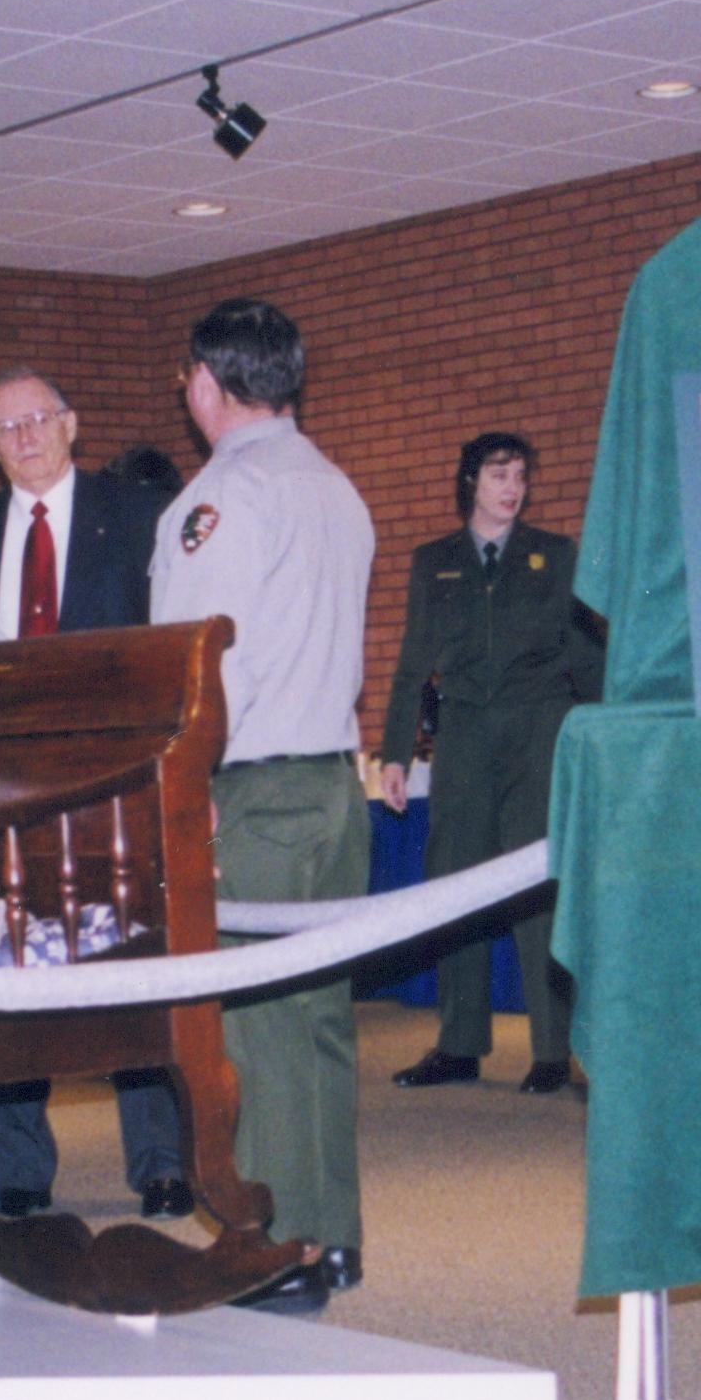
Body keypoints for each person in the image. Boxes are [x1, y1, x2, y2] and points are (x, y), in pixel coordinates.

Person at [0, 364, 193, 1223]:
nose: (23, 438)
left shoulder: (138, 517)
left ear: (71, 423)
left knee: (128, 969)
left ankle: (163, 1160)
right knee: (9, 973)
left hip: (112, 787)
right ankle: (19, 1167)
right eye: (4, 429)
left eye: (37, 420)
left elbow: (169, 647)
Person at [147, 299, 376, 1313]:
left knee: (255, 1025)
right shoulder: (337, 488)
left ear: (207, 380)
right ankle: (331, 1236)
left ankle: (279, 1249)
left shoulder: (218, 501)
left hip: (253, 788)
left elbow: (192, 668)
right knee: (318, 1019)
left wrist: (177, 794)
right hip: (333, 781)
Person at [373, 430, 604, 1094]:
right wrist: (394, 752)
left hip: (539, 729)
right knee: (457, 886)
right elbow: (414, 661)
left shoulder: (554, 556)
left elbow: (584, 657)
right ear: (470, 481)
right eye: (500, 475)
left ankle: (555, 1051)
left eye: (521, 478)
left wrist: (605, 741)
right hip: (465, 737)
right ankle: (459, 1042)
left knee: (536, 888)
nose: (512, 488)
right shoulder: (433, 562)